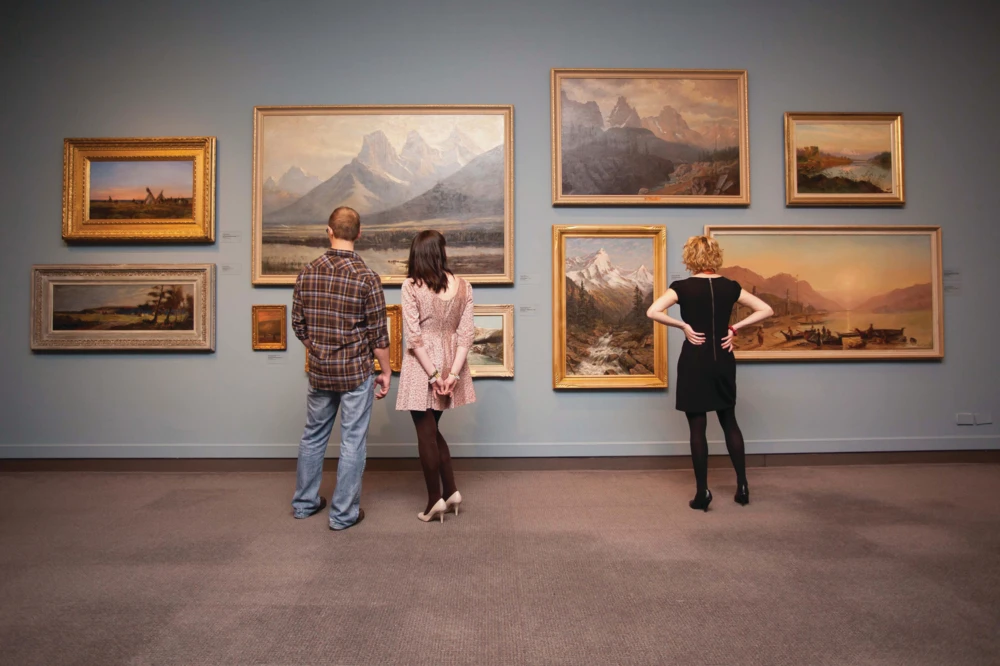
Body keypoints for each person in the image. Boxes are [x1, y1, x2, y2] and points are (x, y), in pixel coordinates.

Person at [647, 236, 773, 511]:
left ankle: (703, 492)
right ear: (716, 256)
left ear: (690, 257)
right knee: (730, 422)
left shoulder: (682, 287)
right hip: (723, 358)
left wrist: (683, 326)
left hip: (695, 359)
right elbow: (766, 309)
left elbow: (653, 311)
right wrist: (734, 329)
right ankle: (742, 487)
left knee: (697, 427)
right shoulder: (731, 287)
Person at [291, 206, 391, 531]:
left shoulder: (307, 272)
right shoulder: (367, 278)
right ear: (359, 234)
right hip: (355, 372)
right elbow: (378, 336)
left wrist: (319, 351)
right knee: (352, 441)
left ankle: (305, 504)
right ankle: (343, 514)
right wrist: (386, 371)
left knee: (313, 436)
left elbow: (298, 325)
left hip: (321, 371)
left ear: (329, 231)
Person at [396, 230, 476, 523]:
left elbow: (414, 339)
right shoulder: (465, 286)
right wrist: (452, 374)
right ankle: (451, 490)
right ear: (441, 253)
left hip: (423, 364)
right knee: (432, 431)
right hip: (450, 360)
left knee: (425, 433)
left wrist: (432, 375)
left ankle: (434, 500)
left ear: (416, 254)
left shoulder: (411, 286)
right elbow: (466, 336)